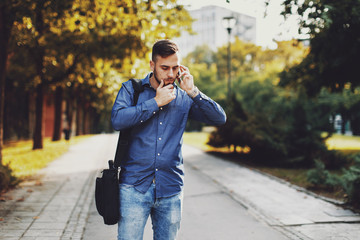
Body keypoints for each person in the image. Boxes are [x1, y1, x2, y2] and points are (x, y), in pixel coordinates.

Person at [111, 39, 226, 240]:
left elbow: (219, 118)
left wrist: (193, 91)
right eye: (164, 68)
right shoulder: (132, 89)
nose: (171, 74)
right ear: (152, 65)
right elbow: (117, 120)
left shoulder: (184, 98)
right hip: (134, 187)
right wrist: (155, 103)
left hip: (170, 188)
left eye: (175, 68)